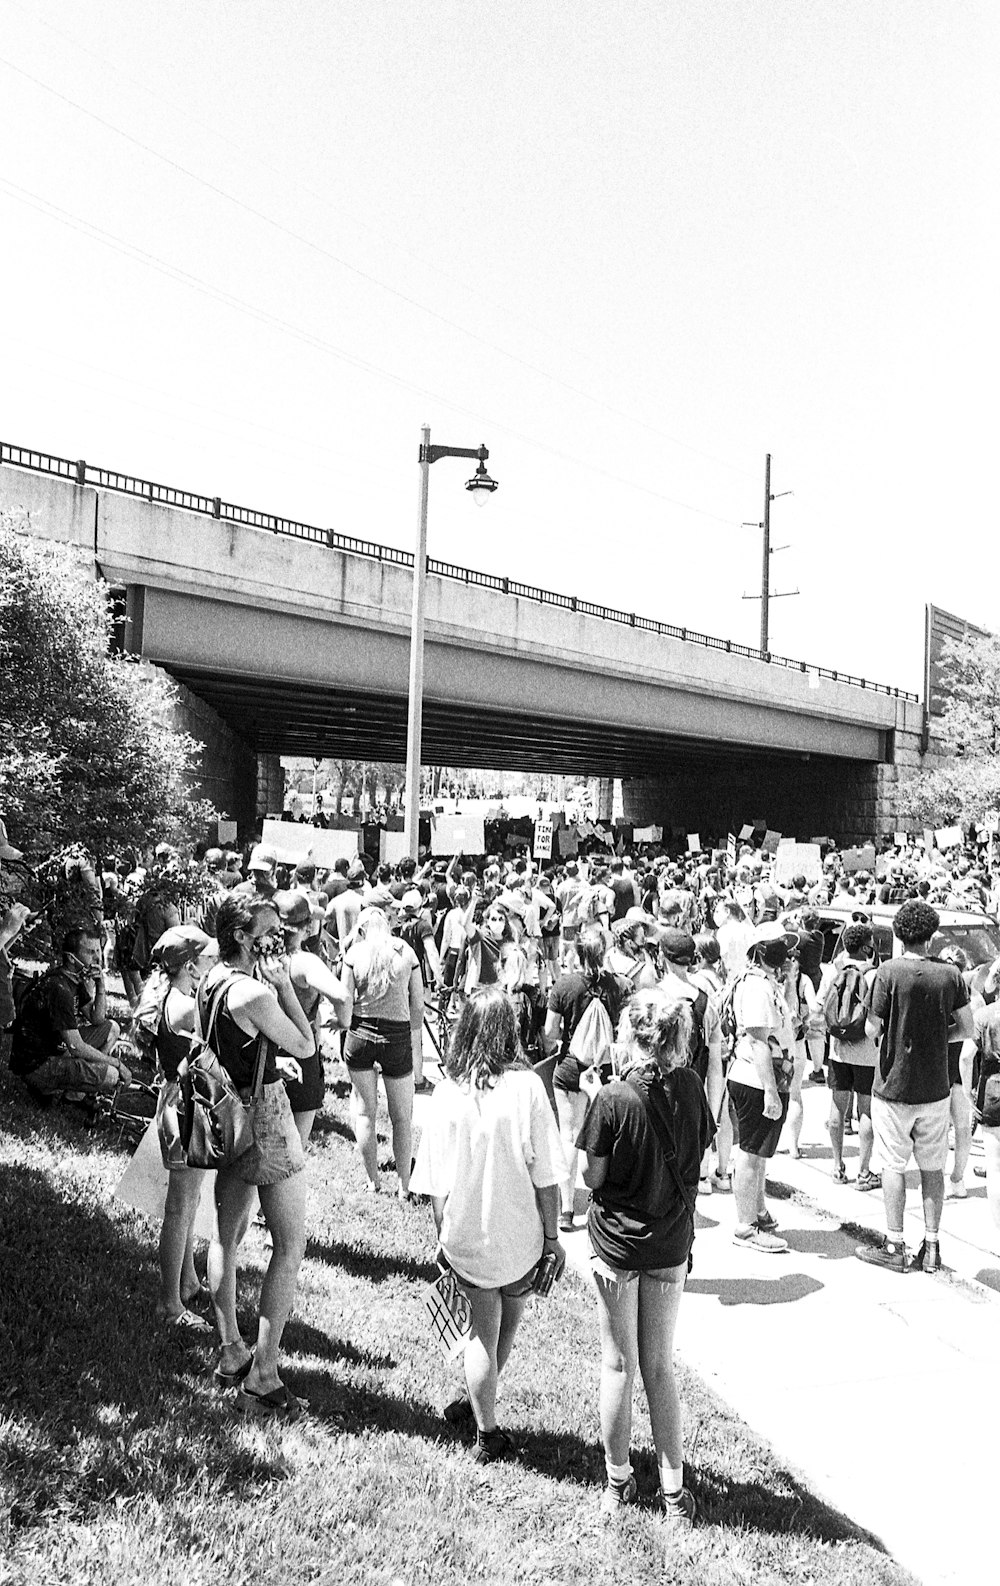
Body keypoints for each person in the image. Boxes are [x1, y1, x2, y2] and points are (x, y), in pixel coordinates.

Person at [410, 986, 566, 1464]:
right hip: (520, 1234)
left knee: (481, 1330)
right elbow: (547, 1177)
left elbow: (435, 1180)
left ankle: (481, 1402)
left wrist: (442, 1234)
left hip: (467, 1234)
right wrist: (554, 1237)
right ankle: (488, 1430)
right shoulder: (528, 1088)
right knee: (501, 1329)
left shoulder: (446, 1092)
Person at [577, 985, 714, 1524]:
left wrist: (591, 1104)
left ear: (629, 1033)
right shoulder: (693, 1086)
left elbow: (592, 1176)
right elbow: (699, 1154)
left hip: (618, 1241)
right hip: (670, 1240)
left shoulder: (611, 1098)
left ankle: (618, 1481)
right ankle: (675, 1492)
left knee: (618, 1363)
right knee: (660, 1365)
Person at [200, 895, 316, 1419]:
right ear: (244, 937)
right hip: (264, 1117)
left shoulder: (212, 977)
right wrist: (286, 986)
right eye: (268, 930)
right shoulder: (253, 992)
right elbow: (307, 1045)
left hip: (227, 1112)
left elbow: (239, 1045)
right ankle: (263, 1377)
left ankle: (230, 1351)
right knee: (291, 1245)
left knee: (227, 1234)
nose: (278, 937)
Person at [856, 900, 973, 1274]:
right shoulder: (950, 974)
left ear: (898, 934)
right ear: (932, 934)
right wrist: (939, 1034)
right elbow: (967, 1028)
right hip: (936, 1086)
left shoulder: (888, 973)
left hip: (893, 1084)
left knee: (892, 1164)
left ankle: (894, 1243)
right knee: (932, 1168)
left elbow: (872, 1029)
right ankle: (933, 1246)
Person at [135, 925, 218, 1330]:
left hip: (179, 1101)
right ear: (190, 964)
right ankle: (168, 1303)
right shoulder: (187, 1006)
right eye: (208, 959)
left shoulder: (175, 996)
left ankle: (186, 1282)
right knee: (179, 1208)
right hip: (185, 1108)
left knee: (188, 1205)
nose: (213, 965)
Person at [544, 926, 630, 1231]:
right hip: (603, 1071)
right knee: (601, 1136)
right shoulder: (618, 986)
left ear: (577, 953)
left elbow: (550, 1032)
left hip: (570, 1068)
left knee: (568, 1135)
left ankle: (566, 1210)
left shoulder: (564, 986)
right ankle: (601, 1197)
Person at [339, 906, 423, 1195]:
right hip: (396, 1034)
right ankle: (404, 1185)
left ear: (362, 930)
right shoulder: (406, 953)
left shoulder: (353, 956)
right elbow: (418, 1006)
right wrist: (413, 1041)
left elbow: (345, 1002)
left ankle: (373, 1181)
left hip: (360, 1033)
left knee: (364, 1113)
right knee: (401, 1117)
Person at [726, 922, 798, 1253]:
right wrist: (770, 1090)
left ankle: (757, 1210)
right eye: (777, 944)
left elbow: (789, 1023)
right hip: (757, 1079)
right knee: (750, 1154)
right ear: (759, 949)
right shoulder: (755, 987)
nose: (784, 949)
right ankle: (745, 1226)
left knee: (759, 1154)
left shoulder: (770, 984)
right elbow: (757, 1041)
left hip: (769, 1076)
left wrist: (791, 983)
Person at [11, 926, 129, 1104]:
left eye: (98, 950)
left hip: (58, 1050)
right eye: (90, 952)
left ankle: (73, 1094)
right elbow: (76, 1047)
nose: (97, 958)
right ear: (71, 958)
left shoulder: (73, 980)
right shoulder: (59, 988)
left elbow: (97, 1019)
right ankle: (48, 1088)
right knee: (111, 1075)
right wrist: (116, 1063)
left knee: (112, 1028)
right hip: (37, 1065)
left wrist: (101, 985)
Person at [271, 890, 349, 1145]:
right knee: (295, 1147)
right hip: (300, 1053)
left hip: (264, 1051)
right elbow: (342, 995)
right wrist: (344, 1022)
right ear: (306, 927)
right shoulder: (304, 962)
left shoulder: (260, 958)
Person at [824, 922, 880, 1189]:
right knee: (865, 1111)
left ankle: (837, 1166)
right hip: (867, 1053)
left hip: (838, 1051)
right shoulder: (874, 976)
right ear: (867, 947)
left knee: (837, 1107)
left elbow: (820, 1009)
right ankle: (864, 1171)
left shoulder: (834, 972)